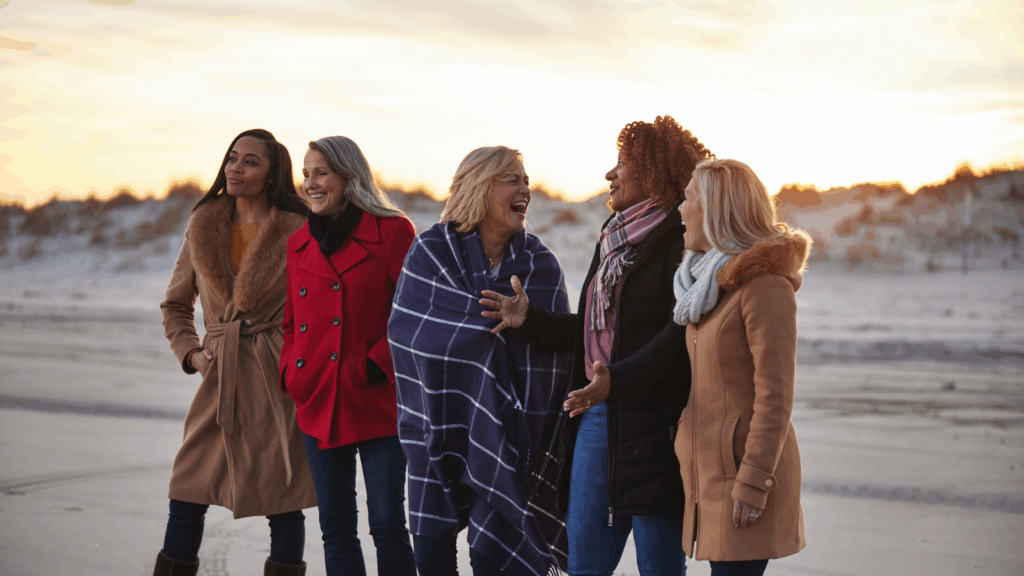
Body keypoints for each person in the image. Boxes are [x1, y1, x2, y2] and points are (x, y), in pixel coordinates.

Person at [480, 116, 711, 576]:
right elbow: (592, 333)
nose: (610, 174)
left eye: (622, 163)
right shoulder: (613, 239)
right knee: (583, 565)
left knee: (659, 566)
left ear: (652, 172)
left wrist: (616, 382)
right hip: (597, 416)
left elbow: (680, 334)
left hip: (658, 426)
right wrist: (528, 320)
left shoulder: (683, 240)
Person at [388, 146, 574, 576]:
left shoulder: (539, 264)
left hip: (512, 439)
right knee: (432, 560)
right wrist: (481, 336)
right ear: (479, 186)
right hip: (437, 423)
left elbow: (558, 355)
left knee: (495, 560)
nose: (524, 188)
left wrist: (524, 323)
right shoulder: (430, 253)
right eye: (512, 179)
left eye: (526, 180)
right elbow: (407, 335)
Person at [157, 128, 316, 576]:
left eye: (250, 161)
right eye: (232, 157)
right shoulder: (202, 224)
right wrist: (192, 355)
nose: (235, 167)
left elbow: (317, 308)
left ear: (272, 175)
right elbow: (174, 305)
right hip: (219, 374)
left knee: (283, 502)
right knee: (187, 491)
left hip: (275, 376)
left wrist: (298, 362)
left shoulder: (301, 230)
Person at [279, 136, 417, 576]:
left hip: (377, 399)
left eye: (320, 173)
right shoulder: (299, 244)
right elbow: (290, 324)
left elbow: (413, 314)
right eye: (306, 174)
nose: (310, 184)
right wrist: (291, 373)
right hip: (318, 399)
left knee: (387, 525)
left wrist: (379, 364)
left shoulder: (393, 231)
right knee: (336, 530)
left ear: (348, 175)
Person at [671, 159, 808, 575]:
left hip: (744, 480)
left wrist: (753, 482)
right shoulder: (707, 285)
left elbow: (776, 396)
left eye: (689, 197)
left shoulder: (764, 285)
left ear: (716, 209)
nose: (680, 208)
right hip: (709, 479)